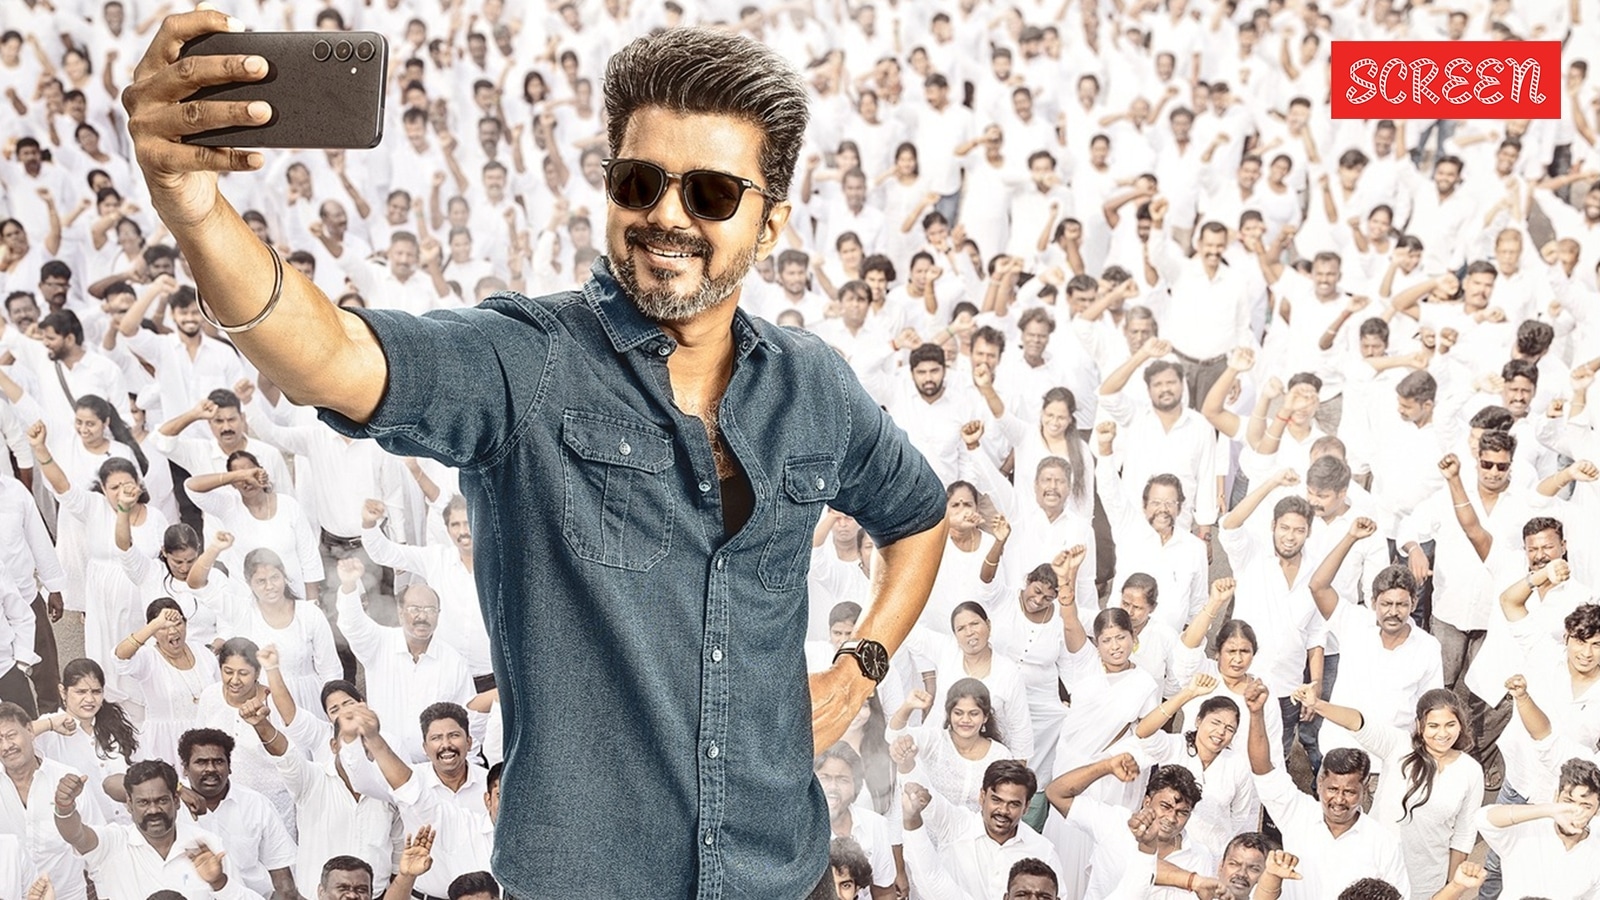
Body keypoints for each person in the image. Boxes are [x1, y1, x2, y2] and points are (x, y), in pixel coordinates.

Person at [122, 18, 949, 896]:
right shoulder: (528, 361)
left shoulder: (813, 386)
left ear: (771, 223)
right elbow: (333, 357)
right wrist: (195, 210)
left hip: (781, 873)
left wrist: (861, 667)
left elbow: (918, 516)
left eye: (710, 193)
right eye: (640, 182)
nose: (667, 215)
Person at [1293, 687, 1483, 899]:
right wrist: (1318, 704)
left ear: (1461, 725)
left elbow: (1464, 835)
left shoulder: (1471, 771)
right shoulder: (1399, 745)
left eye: (1450, 725)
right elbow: (1358, 723)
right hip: (1376, 869)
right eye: (1433, 726)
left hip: (1426, 878)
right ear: (1419, 725)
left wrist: (1452, 885)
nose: (1442, 734)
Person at [1242, 678, 1411, 898]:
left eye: (1349, 792)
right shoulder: (1298, 814)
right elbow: (1262, 769)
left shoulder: (1383, 843)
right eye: (1332, 789)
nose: (1339, 800)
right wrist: (1256, 714)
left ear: (1365, 787)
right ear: (1320, 782)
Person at [51, 758, 251, 899]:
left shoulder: (206, 845)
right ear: (129, 804)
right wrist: (64, 807)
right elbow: (76, 835)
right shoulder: (112, 843)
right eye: (143, 803)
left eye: (162, 800)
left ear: (176, 800)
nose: (153, 810)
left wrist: (219, 883)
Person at [898, 759, 1063, 900]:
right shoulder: (957, 826)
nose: (1003, 810)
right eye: (996, 800)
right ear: (982, 796)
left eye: (1014, 804)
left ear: (1026, 807)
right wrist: (907, 766)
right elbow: (924, 799)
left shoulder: (1043, 850)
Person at [173, 727, 298, 899]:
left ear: (229, 767)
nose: (210, 769)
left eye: (218, 761)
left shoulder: (256, 804)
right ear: (185, 769)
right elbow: (138, 780)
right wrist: (177, 788)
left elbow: (281, 875)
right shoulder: (170, 805)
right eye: (201, 762)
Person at [0, 701, 101, 900]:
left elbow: (97, 844)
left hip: (69, 895)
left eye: (11, 735)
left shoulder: (66, 779)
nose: (6, 746)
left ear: (30, 731)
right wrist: (51, 724)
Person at [1476, 757, 1600, 900]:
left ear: (1597, 810)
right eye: (1568, 801)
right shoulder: (1527, 829)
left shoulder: (1595, 851)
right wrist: (1548, 810)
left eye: (1585, 806)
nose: (1574, 811)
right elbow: (1483, 819)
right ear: (1556, 797)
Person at [33, 658, 138, 824]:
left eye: (96, 692)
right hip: (84, 830)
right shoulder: (48, 729)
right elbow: (11, 738)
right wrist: (50, 724)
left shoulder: (117, 722)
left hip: (129, 825)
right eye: (81, 692)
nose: (89, 699)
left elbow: (143, 766)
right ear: (63, 691)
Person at [112, 599, 215, 767]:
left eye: (178, 623)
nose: (173, 631)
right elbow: (120, 658)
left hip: (206, 741)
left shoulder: (202, 653)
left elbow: (218, 694)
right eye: (163, 627)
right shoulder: (148, 657)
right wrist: (155, 624)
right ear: (152, 632)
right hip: (165, 745)